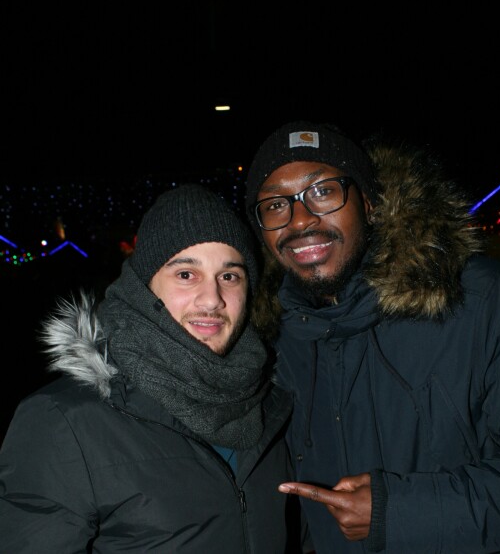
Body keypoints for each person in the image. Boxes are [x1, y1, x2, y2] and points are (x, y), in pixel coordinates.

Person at [244, 120, 500, 553]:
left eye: (323, 191)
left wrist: (396, 511)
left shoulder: (484, 299)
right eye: (275, 206)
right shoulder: (275, 339)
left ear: (368, 203)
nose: (301, 220)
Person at [0, 184, 310, 553]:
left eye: (229, 276)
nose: (212, 299)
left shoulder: (271, 404)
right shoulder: (65, 421)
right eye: (185, 274)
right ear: (144, 287)